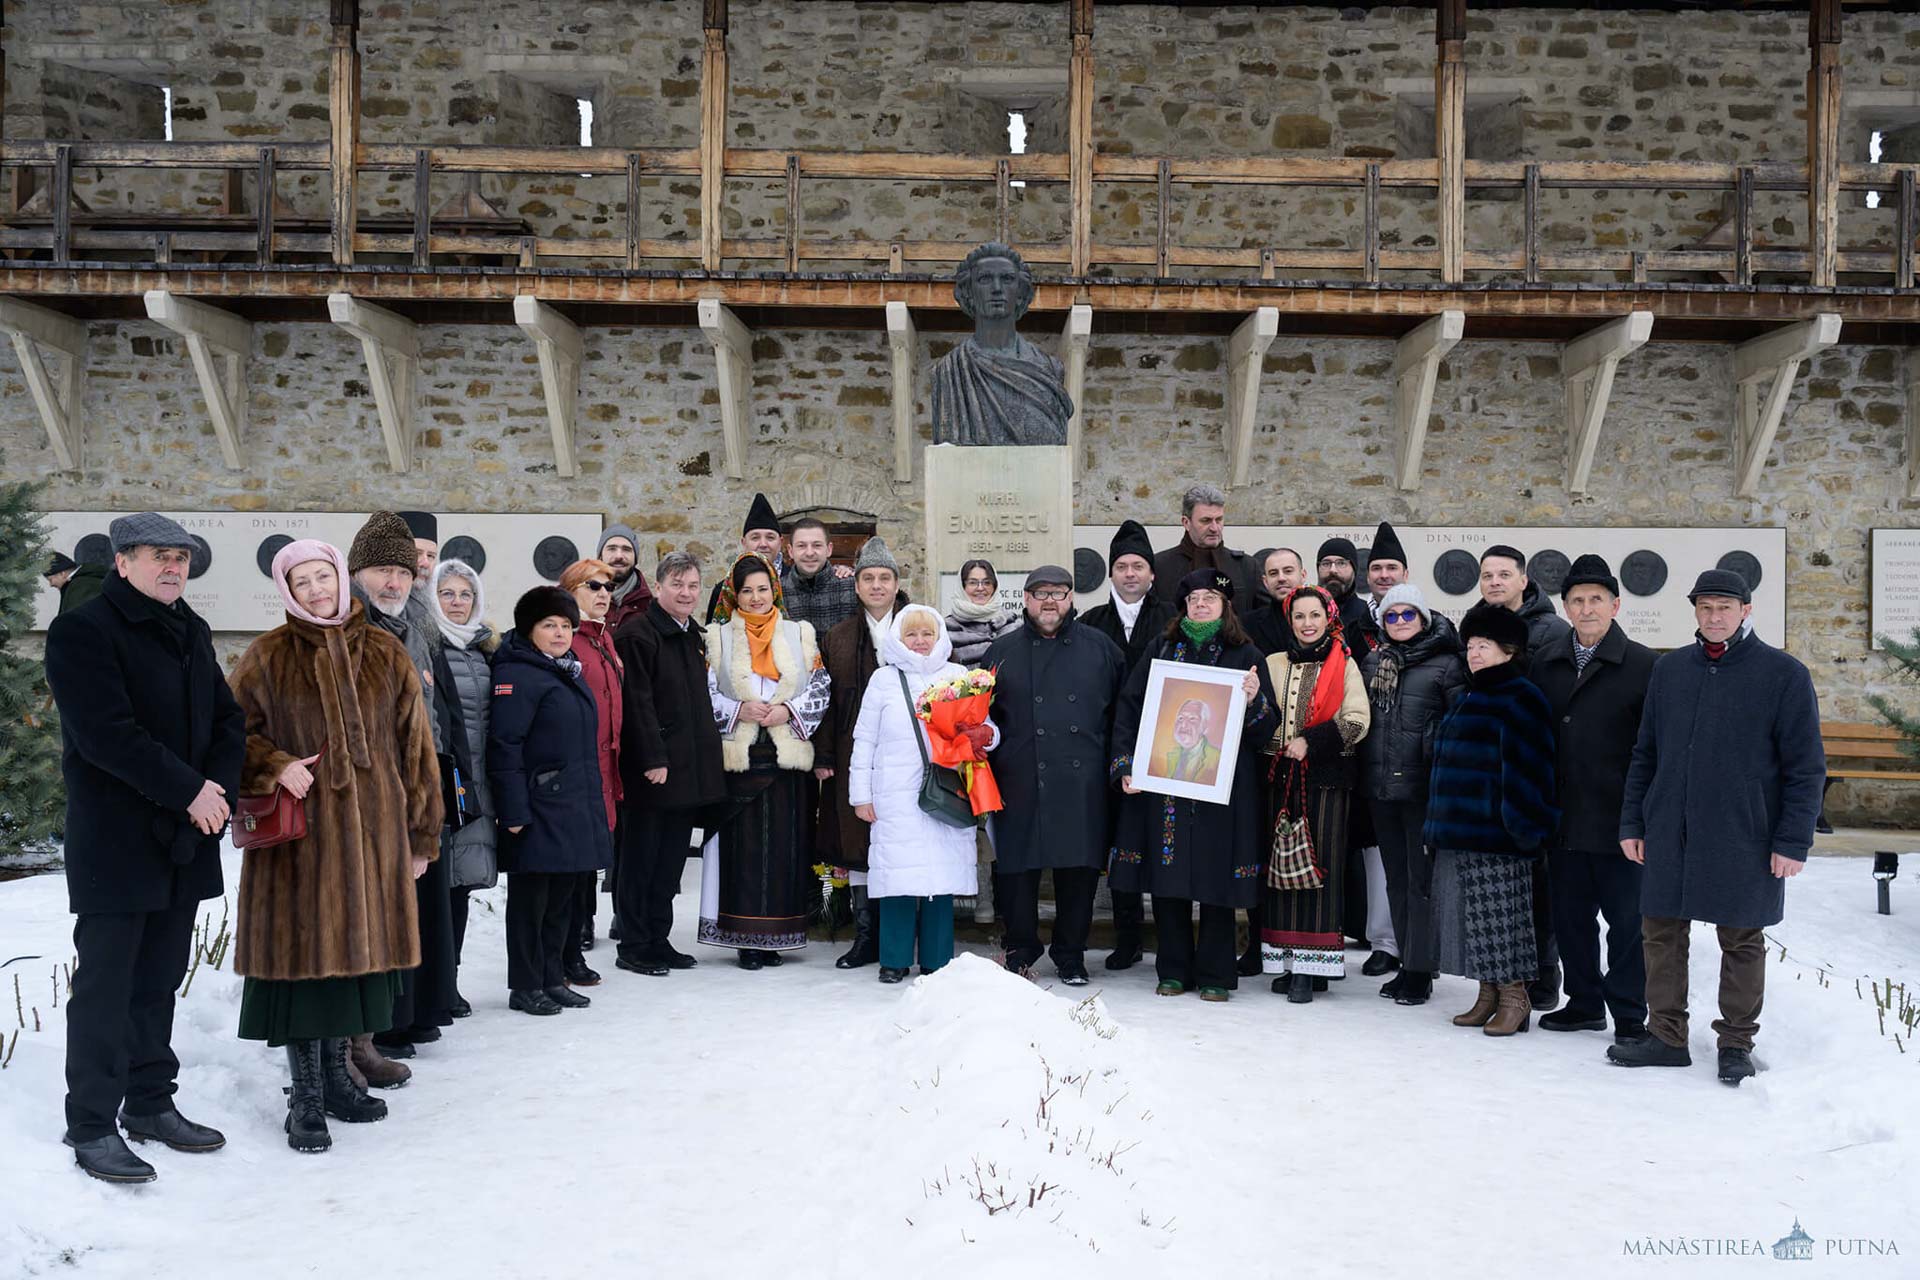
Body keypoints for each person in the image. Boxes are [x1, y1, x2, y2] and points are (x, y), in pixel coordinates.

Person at [43, 513, 245, 1184]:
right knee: (108, 985)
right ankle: (93, 1122)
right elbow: (106, 735)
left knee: (159, 978)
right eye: (159, 556)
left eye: (181, 558)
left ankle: (151, 1102)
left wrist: (214, 789)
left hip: (185, 835)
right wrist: (192, 790)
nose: (173, 567)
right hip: (117, 840)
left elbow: (227, 719)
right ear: (123, 562)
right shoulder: (84, 631)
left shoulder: (190, 628)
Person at [228, 539, 442, 1150]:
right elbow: (231, 734)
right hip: (300, 846)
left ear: (341, 578)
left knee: (354, 969)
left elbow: (416, 749)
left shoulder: (384, 650)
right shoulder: (266, 656)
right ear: (287, 592)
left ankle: (338, 1079)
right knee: (304, 970)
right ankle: (307, 1097)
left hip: (374, 842)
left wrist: (421, 836)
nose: (319, 590)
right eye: (304, 584)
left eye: (325, 577)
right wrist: (274, 765)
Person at [1612, 569, 1824, 1085]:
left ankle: (1735, 1042)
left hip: (1742, 832)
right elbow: (1646, 754)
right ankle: (1666, 1036)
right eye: (1705, 607)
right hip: (1669, 827)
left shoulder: (1783, 674)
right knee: (1660, 933)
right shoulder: (1671, 670)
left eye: (1724, 608)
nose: (1714, 617)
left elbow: (1805, 767)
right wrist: (1633, 821)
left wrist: (1792, 840)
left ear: (1746, 611)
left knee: (1741, 938)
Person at [1110, 569, 1276, 1001]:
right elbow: (1130, 707)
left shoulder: (1246, 655)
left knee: (1216, 880)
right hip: (1166, 787)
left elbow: (1265, 731)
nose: (1201, 604)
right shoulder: (1161, 650)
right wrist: (1126, 765)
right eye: (1193, 598)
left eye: (1210, 599)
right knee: (1169, 880)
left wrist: (1256, 700)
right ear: (1183, 606)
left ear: (1225, 607)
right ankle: (1173, 970)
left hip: (1223, 790)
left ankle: (1217, 974)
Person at [1527, 555, 1657, 1043]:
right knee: (1571, 918)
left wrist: (1642, 819)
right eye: (1577, 600)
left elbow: (1654, 748)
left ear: (1616, 605)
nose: (1586, 609)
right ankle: (1583, 1003)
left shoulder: (1645, 665)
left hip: (1620, 820)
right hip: (1562, 817)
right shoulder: (1548, 661)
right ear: (1565, 607)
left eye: (1596, 600)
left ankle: (1628, 1014)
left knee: (1626, 924)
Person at [982, 564, 1128, 985]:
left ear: (1070, 600)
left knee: (1078, 872)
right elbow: (983, 718)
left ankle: (1071, 954)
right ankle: (1020, 950)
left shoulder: (1102, 648)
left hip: (1082, 782)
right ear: (1026, 600)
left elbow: (1123, 715)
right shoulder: (1002, 650)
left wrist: (1119, 766)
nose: (1049, 601)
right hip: (1018, 777)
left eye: (1058, 593)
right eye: (1040, 593)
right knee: (1016, 871)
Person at [347, 513, 458, 1061]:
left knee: (417, 904)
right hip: (375, 786)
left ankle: (410, 1014)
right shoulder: (350, 625)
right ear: (357, 572)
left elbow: (432, 707)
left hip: (419, 778)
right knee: (385, 907)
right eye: (382, 571)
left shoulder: (413, 624)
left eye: (403, 571)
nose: (394, 582)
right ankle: (378, 1029)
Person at [1426, 602, 1560, 1039]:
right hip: (1462, 830)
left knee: (1503, 920)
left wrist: (1522, 827)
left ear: (1509, 650)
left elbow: (1530, 768)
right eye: (1470, 645)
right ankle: (1488, 993)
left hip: (1499, 833)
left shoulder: (1521, 696)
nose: (1474, 653)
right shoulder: (1469, 695)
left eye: (1484, 645)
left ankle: (1514, 996)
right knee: (1474, 919)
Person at [849, 605, 998, 982]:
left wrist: (986, 736)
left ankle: (936, 960)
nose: (919, 641)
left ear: (939, 638)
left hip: (946, 792)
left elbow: (986, 729)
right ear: (898, 639)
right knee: (898, 879)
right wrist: (860, 795)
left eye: (926, 634)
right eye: (911, 634)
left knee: (940, 882)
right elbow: (864, 740)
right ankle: (894, 960)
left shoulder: (959, 676)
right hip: (894, 797)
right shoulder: (884, 680)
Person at [489, 587, 616, 1015]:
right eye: (549, 625)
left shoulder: (564, 671)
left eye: (565, 625)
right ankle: (525, 984)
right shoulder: (518, 674)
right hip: (536, 806)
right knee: (532, 902)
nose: (560, 633)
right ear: (530, 629)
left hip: (570, 803)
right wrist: (514, 811)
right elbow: (505, 746)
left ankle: (551, 976)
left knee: (561, 898)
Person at [703, 554, 832, 968]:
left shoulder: (799, 633)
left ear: (774, 590)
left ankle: (778, 934)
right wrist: (735, 709)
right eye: (746, 590)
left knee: (784, 848)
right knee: (742, 852)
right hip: (739, 759)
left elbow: (820, 685)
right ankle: (744, 938)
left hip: (785, 759)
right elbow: (703, 689)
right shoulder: (717, 636)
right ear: (733, 594)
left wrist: (788, 712)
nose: (756, 598)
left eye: (762, 589)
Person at [613, 551, 726, 977]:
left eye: (693, 585)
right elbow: (636, 701)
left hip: (686, 771)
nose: (685, 593)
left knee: (670, 864)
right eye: (677, 584)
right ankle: (634, 943)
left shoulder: (692, 635)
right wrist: (652, 758)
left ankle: (658, 938)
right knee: (641, 860)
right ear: (658, 587)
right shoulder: (638, 634)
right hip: (654, 772)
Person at [1258, 585, 1370, 1002]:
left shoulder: (1345, 664)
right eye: (1299, 616)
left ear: (1329, 618)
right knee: (1283, 868)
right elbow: (1260, 711)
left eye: (1314, 616)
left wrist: (1310, 740)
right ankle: (1289, 960)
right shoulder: (1271, 662)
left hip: (1325, 779)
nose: (1307, 624)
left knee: (1318, 868)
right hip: (1277, 777)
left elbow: (1358, 720)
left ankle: (1312, 965)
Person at [1358, 583, 1466, 1008]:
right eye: (1391, 616)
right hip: (1383, 790)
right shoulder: (1373, 661)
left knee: (1422, 884)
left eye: (1408, 615)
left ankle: (1421, 971)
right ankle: (1407, 961)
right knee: (1397, 881)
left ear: (1423, 619)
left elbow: (1458, 727)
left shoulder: (1446, 665)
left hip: (1423, 790)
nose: (1400, 622)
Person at [1477, 543, 1571, 1011]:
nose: (1494, 582)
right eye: (1487, 575)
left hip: (1531, 761)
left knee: (1537, 882)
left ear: (1523, 579)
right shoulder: (1476, 624)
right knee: (1500, 884)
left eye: (1503, 574)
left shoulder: (1551, 630)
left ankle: (1542, 976)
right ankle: (1499, 978)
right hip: (1486, 766)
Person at [1081, 521, 1176, 971]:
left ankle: (1170, 936)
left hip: (1165, 749)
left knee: (1162, 841)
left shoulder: (1173, 622)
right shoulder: (1091, 622)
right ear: (1111, 574)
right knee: (1121, 845)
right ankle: (1127, 937)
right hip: (1109, 750)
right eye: (1122, 566)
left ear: (1152, 574)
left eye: (1139, 566)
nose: (1130, 574)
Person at [816, 538, 910, 968]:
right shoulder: (838, 636)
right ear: (856, 586)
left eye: (884, 578)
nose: (876, 586)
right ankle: (865, 936)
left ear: (896, 583)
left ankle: (900, 934)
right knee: (856, 842)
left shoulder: (917, 627)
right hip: (854, 754)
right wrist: (824, 756)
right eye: (868, 578)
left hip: (907, 759)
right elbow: (827, 703)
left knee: (901, 842)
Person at [429, 559, 499, 1023]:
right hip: (441, 782)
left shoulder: (484, 651)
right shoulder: (427, 646)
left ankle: (449, 979)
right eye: (448, 594)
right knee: (435, 887)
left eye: (465, 594)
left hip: (478, 783)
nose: (457, 603)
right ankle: (433, 985)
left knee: (462, 886)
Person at [558, 558, 624, 990]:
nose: (603, 594)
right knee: (569, 868)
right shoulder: (569, 640)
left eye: (608, 587)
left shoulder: (604, 638)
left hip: (605, 766)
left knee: (586, 865)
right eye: (593, 586)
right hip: (575, 770)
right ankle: (563, 955)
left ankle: (571, 952)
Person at [1151, 483, 1257, 607]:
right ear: (1186, 522)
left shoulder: (1247, 566)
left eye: (1219, 520)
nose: (1214, 528)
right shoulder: (1160, 567)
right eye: (1205, 521)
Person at [707, 492, 786, 623]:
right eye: (755, 537)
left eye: (770, 537)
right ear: (744, 542)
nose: (763, 544)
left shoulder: (795, 583)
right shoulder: (725, 590)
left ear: (780, 542)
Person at [780, 516, 858, 635]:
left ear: (829, 549)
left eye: (817, 545)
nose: (810, 553)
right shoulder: (778, 592)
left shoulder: (851, 586)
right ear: (790, 551)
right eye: (801, 546)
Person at [944, 558, 1022, 667]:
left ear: (994, 586)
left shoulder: (1013, 623)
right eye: (972, 582)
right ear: (962, 587)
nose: (980, 588)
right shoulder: (947, 628)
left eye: (987, 582)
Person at [1315, 536, 1376, 656]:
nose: (1333, 570)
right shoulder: (1306, 611)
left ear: (1354, 570)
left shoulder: (1366, 614)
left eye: (1341, 563)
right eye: (1326, 563)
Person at [598, 523, 655, 632]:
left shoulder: (650, 607)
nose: (619, 556)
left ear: (635, 558)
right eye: (612, 549)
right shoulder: (580, 599)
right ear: (600, 555)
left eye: (626, 549)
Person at [1363, 521, 1410, 626]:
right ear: (1368, 576)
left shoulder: (1432, 625)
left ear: (1405, 575)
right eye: (1376, 568)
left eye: (1392, 568)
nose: (1384, 575)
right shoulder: (1351, 628)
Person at [50, 548, 108, 616]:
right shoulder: (86, 580)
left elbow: (75, 622)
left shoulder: (79, 587)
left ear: (62, 574)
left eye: (50, 580)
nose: (51, 584)